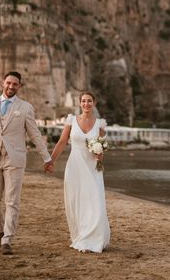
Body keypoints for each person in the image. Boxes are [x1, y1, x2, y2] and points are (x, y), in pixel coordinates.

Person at [0, 71, 54, 255]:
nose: (11, 86)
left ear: (19, 86)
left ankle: (7, 239)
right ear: (3, 83)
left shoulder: (25, 107)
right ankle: (0, 228)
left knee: (12, 201)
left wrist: (46, 158)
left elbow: (34, 134)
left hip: (15, 159)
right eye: (8, 83)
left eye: (15, 84)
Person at [51, 91, 110, 252]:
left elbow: (103, 146)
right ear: (79, 103)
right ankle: (82, 235)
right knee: (76, 201)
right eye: (83, 101)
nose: (86, 104)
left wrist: (100, 153)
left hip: (92, 167)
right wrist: (51, 160)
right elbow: (62, 142)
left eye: (89, 101)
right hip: (75, 166)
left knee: (94, 200)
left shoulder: (100, 124)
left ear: (94, 103)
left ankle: (94, 238)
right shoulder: (71, 121)